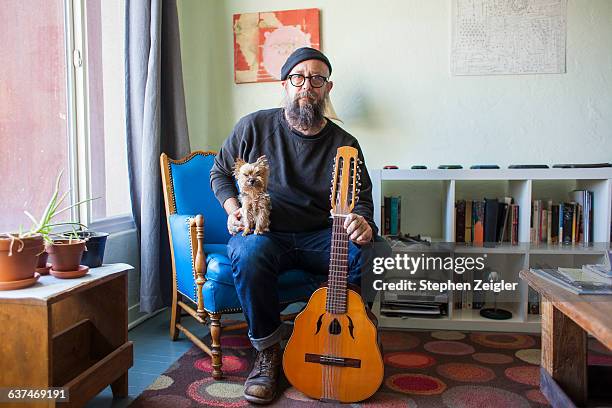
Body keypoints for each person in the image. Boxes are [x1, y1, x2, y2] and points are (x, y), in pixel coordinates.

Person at [210, 47, 378, 404]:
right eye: (299, 78)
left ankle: (340, 335)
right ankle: (268, 351)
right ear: (285, 84)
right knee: (247, 251)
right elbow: (220, 173)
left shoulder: (345, 144)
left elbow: (361, 199)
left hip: (322, 235)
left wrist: (363, 223)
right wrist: (233, 207)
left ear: (327, 88)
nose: (307, 86)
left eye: (317, 79)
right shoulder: (253, 127)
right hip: (267, 234)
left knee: (372, 251)